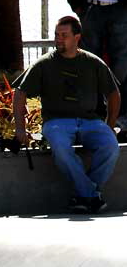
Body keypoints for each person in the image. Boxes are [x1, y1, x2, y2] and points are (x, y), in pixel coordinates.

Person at [13, 16, 120, 214]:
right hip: (57, 122)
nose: (58, 39)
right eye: (56, 35)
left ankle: (83, 195)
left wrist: (110, 124)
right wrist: (20, 128)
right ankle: (91, 195)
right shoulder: (44, 64)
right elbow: (20, 93)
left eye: (64, 35)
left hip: (91, 122)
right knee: (61, 147)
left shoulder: (93, 63)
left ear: (77, 37)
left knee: (111, 147)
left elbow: (113, 94)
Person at [63, 0, 127, 129]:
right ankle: (94, 114)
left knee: (122, 64)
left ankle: (120, 116)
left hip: (120, 10)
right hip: (91, 10)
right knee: (89, 64)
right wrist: (77, 6)